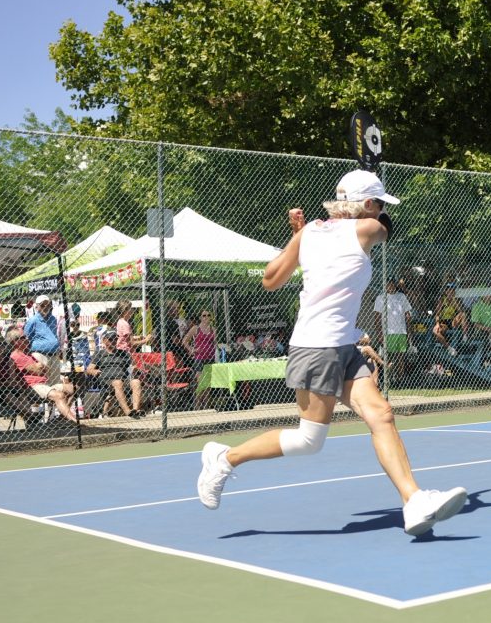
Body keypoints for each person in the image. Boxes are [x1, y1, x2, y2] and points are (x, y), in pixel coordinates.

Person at [196, 169, 467, 536]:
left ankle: (414, 501)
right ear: (368, 205)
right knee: (309, 440)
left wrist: (297, 239)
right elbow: (388, 227)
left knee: (381, 414)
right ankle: (224, 459)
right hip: (316, 345)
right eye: (378, 204)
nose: (380, 212)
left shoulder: (310, 233)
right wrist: (317, 232)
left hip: (344, 343)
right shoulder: (367, 228)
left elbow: (271, 279)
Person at [6, 328, 76, 423]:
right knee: (59, 395)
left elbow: (45, 370)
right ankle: (73, 420)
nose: (27, 339)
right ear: (15, 341)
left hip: (44, 384)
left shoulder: (27, 354)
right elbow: (38, 370)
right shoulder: (16, 356)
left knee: (74, 388)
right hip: (33, 387)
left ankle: (62, 418)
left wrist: (39, 367)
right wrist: (38, 367)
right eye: (23, 337)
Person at [87, 330, 144, 418]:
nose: (113, 341)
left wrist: (134, 368)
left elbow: (133, 365)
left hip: (123, 379)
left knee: (136, 381)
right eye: (110, 339)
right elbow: (89, 369)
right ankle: (128, 412)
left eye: (114, 339)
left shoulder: (123, 353)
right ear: (104, 340)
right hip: (106, 380)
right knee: (118, 383)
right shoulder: (100, 354)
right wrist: (94, 371)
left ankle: (135, 410)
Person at [373, 279, 413, 383]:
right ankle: (388, 379)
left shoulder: (402, 297)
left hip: (401, 331)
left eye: (392, 284)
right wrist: (379, 333)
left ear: (395, 285)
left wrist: (409, 331)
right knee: (389, 356)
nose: (390, 286)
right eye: (387, 285)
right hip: (388, 332)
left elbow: (407, 314)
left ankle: (400, 379)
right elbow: (377, 317)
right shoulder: (380, 298)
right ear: (385, 286)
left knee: (400, 356)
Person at [24, 295, 64, 379]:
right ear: (36, 307)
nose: (45, 307)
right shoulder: (33, 320)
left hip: (54, 355)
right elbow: (26, 338)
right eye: (42, 305)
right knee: (44, 380)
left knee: (56, 380)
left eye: (48, 305)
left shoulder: (53, 319)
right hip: (40, 355)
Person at [184, 309, 217, 408]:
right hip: (199, 358)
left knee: (207, 385)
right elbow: (185, 340)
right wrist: (192, 349)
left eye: (208, 315)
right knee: (200, 384)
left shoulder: (213, 329)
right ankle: (197, 407)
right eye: (204, 315)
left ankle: (206, 407)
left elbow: (215, 343)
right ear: (200, 317)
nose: (206, 317)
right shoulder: (196, 328)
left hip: (210, 357)